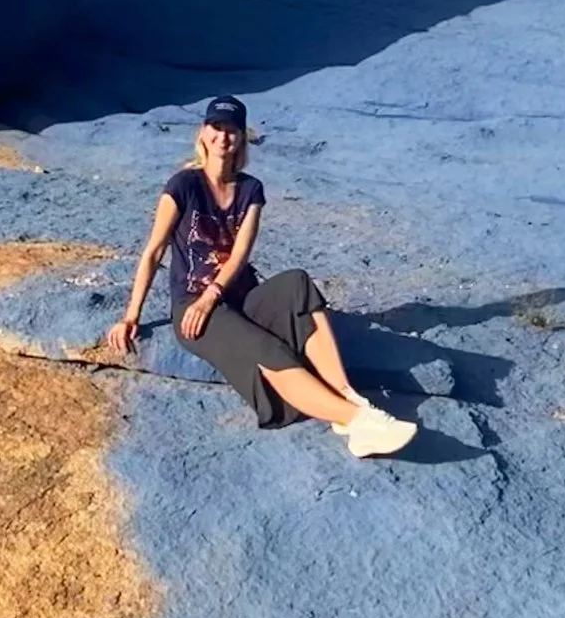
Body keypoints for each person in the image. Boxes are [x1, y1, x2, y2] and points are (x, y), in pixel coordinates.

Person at [103, 95, 417, 459]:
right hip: (194, 308)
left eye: (232, 130)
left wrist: (215, 293)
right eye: (216, 128)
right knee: (271, 350)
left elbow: (240, 254)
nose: (223, 137)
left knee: (297, 282)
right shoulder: (183, 185)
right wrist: (131, 316)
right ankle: (360, 421)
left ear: (241, 138)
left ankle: (345, 397)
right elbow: (154, 251)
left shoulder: (250, 189)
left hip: (233, 296)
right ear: (203, 134)